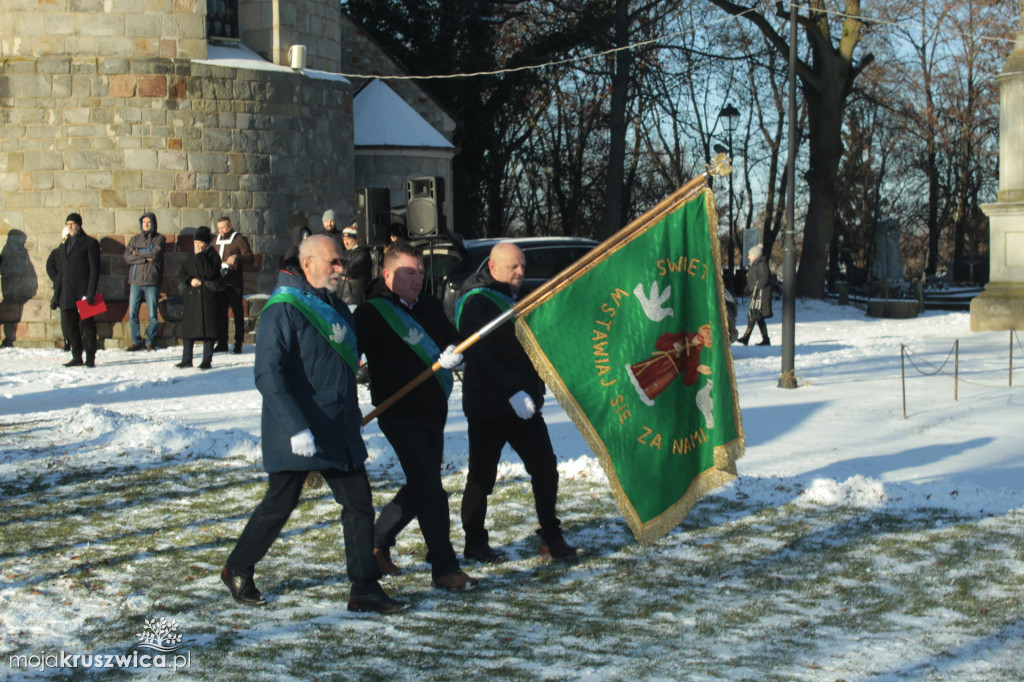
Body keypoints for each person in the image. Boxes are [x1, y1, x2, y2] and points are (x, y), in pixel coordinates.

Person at [222, 235, 406, 614]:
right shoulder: (282, 309)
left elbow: (341, 362)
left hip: (337, 427)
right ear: (307, 265)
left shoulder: (336, 306)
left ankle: (364, 589)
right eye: (333, 262)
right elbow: (268, 375)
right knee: (280, 503)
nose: (341, 269)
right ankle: (237, 567)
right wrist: (295, 427)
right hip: (300, 429)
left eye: (342, 262)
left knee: (358, 505)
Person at [354, 242, 478, 591]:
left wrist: (457, 353)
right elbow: (348, 357)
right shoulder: (371, 313)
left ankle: (378, 540)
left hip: (433, 408)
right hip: (397, 411)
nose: (417, 279)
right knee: (430, 488)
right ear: (388, 274)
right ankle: (444, 567)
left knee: (422, 481)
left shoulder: (431, 307)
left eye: (421, 272)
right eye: (409, 272)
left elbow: (453, 341)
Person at [456, 242, 578, 563]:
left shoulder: (520, 298)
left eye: (523, 266)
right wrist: (511, 390)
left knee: (545, 469)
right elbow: (478, 353)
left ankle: (551, 535)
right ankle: (475, 542)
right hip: (489, 406)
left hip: (525, 405)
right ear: (493, 268)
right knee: (482, 478)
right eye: (514, 267)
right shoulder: (476, 303)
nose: (521, 273)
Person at [53, 213, 100, 368]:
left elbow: (95, 270)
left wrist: (91, 292)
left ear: (79, 224)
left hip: (84, 291)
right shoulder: (65, 246)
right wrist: (56, 295)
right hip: (67, 293)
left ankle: (90, 357)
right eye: (68, 224)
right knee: (70, 326)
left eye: (72, 223)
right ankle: (76, 356)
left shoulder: (90, 243)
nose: (70, 227)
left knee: (88, 325)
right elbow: (61, 273)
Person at [176, 227, 221, 370]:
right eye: (195, 243)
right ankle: (186, 359)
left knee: (208, 331)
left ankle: (206, 360)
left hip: (207, 297)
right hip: (192, 298)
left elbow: (209, 272)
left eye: (199, 243)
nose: (196, 246)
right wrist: (190, 280)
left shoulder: (213, 256)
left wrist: (201, 256)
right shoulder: (191, 256)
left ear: (206, 244)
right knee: (188, 331)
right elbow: (182, 272)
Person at [124, 212, 165, 351]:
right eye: (144, 222)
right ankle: (136, 340)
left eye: (149, 222)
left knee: (153, 314)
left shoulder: (159, 239)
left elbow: (155, 254)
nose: (146, 224)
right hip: (135, 280)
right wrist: (143, 257)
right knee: (133, 313)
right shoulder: (135, 239)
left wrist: (138, 252)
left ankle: (149, 340)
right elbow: (127, 257)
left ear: (153, 223)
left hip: (152, 280)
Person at [213, 216, 252, 354]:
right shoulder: (216, 240)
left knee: (237, 313)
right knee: (221, 313)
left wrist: (237, 258)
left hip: (234, 283)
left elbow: (249, 257)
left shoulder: (239, 239)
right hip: (220, 282)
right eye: (219, 228)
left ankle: (238, 343)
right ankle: (222, 342)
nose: (221, 231)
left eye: (223, 227)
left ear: (230, 226)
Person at [738, 245, 773, 346]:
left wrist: (753, 287)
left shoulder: (761, 264)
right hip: (755, 294)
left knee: (754, 315)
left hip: (760, 296)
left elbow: (764, 279)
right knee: (758, 316)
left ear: (755, 255)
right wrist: (748, 288)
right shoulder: (756, 265)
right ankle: (765, 339)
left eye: (750, 255)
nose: (748, 257)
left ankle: (746, 337)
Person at [46, 226, 71, 351]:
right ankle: (67, 340)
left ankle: (80, 341)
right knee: (65, 316)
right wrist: (57, 280)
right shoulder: (57, 253)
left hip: (76, 288)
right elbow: (49, 267)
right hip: (62, 290)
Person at [339, 223, 371, 307]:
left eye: (349, 239)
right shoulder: (344, 254)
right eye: (344, 239)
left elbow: (347, 271)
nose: (346, 242)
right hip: (341, 300)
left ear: (356, 239)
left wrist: (341, 270)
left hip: (354, 301)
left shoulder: (362, 254)